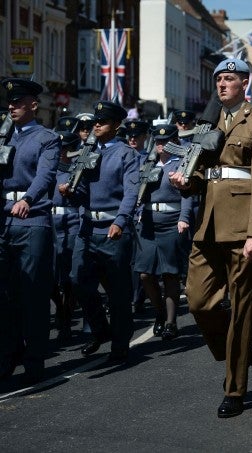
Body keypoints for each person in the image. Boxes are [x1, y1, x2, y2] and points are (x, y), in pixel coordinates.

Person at [169, 57, 252, 418]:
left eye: (229, 79)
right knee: (198, 301)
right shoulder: (207, 123)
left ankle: (234, 389)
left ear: (245, 82)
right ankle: (240, 349)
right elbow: (200, 175)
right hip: (208, 224)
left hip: (242, 225)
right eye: (219, 80)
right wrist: (186, 182)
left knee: (243, 308)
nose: (222, 85)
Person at [60, 100, 140, 364]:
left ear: (116, 126)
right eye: (95, 121)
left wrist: (121, 220)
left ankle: (120, 347)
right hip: (87, 227)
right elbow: (79, 191)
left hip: (113, 229)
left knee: (118, 291)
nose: (95, 125)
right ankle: (100, 329)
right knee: (77, 280)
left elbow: (131, 192)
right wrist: (69, 191)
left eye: (102, 122)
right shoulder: (87, 150)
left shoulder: (125, 154)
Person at [0, 78, 60, 385]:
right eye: (10, 102)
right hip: (3, 222)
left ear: (33, 105)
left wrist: (28, 199)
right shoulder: (3, 137)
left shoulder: (46, 138)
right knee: (6, 295)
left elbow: (46, 174)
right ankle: (9, 354)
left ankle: (35, 360)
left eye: (18, 101)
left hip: (31, 220)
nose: (11, 106)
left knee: (33, 294)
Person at [134, 124, 192, 340]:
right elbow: (139, 190)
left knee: (170, 273)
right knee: (145, 274)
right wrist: (139, 211)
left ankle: (170, 321)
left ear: (174, 141)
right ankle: (158, 313)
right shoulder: (147, 163)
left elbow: (187, 193)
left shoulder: (182, 163)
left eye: (165, 141)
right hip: (148, 222)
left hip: (171, 222)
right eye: (157, 141)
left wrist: (184, 218)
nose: (160, 145)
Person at [51, 131, 82, 341]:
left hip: (72, 223)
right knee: (51, 277)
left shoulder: (79, 170)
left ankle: (66, 317)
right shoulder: (48, 168)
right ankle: (61, 311)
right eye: (60, 148)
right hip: (50, 223)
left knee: (69, 277)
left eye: (67, 149)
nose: (63, 153)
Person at [123, 118, 152, 314]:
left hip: (140, 214)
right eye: (130, 136)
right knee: (123, 259)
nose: (133, 139)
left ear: (144, 137)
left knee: (137, 260)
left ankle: (137, 297)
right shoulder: (122, 156)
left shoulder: (150, 160)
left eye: (137, 136)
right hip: (123, 214)